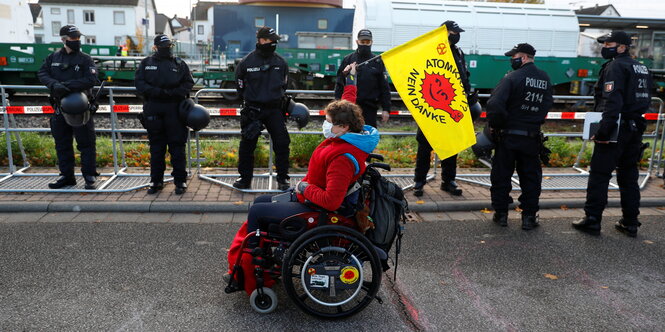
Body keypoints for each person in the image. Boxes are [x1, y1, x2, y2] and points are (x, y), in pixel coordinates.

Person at [224, 63, 379, 289]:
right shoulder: (354, 136)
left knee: (257, 210)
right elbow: (349, 103)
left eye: (330, 122)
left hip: (319, 208)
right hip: (309, 197)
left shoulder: (343, 158)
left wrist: (305, 188)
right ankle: (253, 265)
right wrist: (351, 80)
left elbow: (332, 201)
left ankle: (251, 269)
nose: (326, 125)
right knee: (260, 201)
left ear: (344, 126)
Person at [572, 31, 653, 237]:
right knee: (628, 177)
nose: (604, 46)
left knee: (599, 175)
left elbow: (612, 101)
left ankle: (592, 220)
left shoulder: (615, 66)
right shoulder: (641, 67)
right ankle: (630, 222)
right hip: (635, 128)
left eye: (609, 43)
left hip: (617, 128)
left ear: (623, 47)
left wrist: (603, 131)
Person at [486, 43, 553, 230]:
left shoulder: (511, 78)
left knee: (501, 176)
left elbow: (494, 105)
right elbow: (547, 104)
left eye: (513, 57)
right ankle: (529, 218)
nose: (511, 60)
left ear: (523, 57)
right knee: (531, 179)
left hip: (508, 138)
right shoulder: (545, 79)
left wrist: (496, 126)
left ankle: (501, 215)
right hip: (532, 138)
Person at [413, 20, 479, 197]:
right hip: (431, 106)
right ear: (443, 32)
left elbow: (464, 75)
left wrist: (467, 92)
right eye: (453, 32)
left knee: (452, 145)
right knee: (425, 147)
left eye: (458, 33)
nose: (457, 36)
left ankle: (448, 181)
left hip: (453, 105)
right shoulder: (429, 51)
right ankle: (419, 181)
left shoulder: (458, 52)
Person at [38, 25, 100, 190]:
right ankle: (66, 176)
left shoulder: (85, 59)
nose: (77, 41)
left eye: (78, 38)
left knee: (86, 143)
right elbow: (42, 74)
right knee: (62, 143)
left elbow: (91, 79)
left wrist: (67, 85)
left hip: (80, 108)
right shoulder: (53, 57)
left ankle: (89, 175)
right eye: (73, 39)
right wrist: (54, 85)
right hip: (59, 106)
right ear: (64, 39)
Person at [233, 26, 291, 191]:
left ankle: (283, 179)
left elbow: (284, 86)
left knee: (282, 143)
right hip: (253, 110)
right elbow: (240, 87)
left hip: (274, 110)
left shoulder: (281, 62)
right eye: (270, 40)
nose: (273, 43)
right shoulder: (246, 62)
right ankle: (244, 179)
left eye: (275, 41)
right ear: (261, 40)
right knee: (247, 145)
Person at [135, 34, 194, 195]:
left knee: (177, 148)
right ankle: (156, 180)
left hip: (174, 109)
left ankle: (180, 181)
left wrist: (172, 93)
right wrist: (157, 92)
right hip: (153, 108)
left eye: (168, 46)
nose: (166, 49)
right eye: (163, 46)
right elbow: (139, 84)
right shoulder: (146, 63)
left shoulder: (179, 64)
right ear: (155, 47)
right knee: (156, 148)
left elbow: (189, 83)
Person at [334, 29, 391, 128]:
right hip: (349, 107)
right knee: (350, 137)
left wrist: (386, 109)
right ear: (357, 42)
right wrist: (337, 106)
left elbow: (384, 87)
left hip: (370, 108)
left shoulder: (377, 61)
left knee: (368, 138)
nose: (365, 44)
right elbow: (339, 84)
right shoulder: (348, 60)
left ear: (372, 42)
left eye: (367, 42)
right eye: (362, 42)